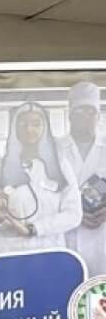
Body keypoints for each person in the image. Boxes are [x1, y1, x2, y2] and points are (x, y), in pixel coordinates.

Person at [0, 101, 82, 253]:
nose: (29, 130)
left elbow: (73, 214)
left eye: (36, 124)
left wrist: (35, 228)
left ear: (45, 128)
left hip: (50, 251)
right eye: (22, 124)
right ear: (14, 128)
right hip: (9, 251)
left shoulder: (60, 167)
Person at [57, 80, 106, 276]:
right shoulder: (54, 149)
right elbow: (42, 198)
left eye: (91, 111)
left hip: (102, 238)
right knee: (68, 288)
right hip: (66, 239)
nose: (86, 117)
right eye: (80, 111)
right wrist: (73, 213)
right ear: (70, 115)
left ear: (98, 115)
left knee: (100, 293)